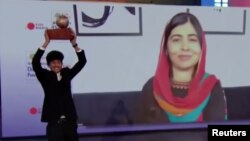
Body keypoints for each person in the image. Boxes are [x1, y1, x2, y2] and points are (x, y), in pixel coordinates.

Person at [137, 12, 227, 124]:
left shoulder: (212, 87)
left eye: (192, 40)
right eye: (176, 40)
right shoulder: (152, 87)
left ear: (202, 47)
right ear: (165, 47)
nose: (185, 47)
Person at [32, 28, 87, 141]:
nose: (56, 64)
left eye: (58, 62)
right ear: (49, 65)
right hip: (54, 124)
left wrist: (74, 44)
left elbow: (82, 61)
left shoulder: (67, 74)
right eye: (53, 62)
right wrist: (46, 42)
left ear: (62, 64)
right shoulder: (44, 76)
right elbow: (35, 62)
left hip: (70, 123)